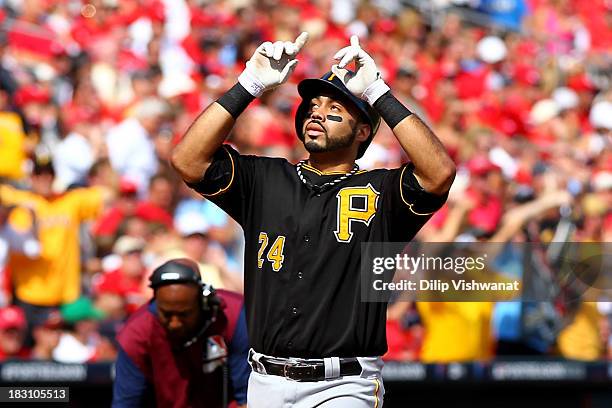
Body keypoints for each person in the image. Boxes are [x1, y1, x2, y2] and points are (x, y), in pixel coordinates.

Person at [171, 33, 455, 407]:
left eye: (335, 108)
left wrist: (378, 94)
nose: (318, 112)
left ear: (363, 131)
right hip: (265, 380)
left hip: (344, 385)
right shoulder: (265, 178)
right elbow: (188, 160)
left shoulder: (382, 190)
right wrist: (248, 85)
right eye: (314, 105)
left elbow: (439, 172)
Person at [112, 259, 249, 408]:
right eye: (167, 314)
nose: (175, 323)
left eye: (184, 314)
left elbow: (247, 399)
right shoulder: (136, 334)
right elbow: (127, 403)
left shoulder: (231, 316)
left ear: (202, 301)